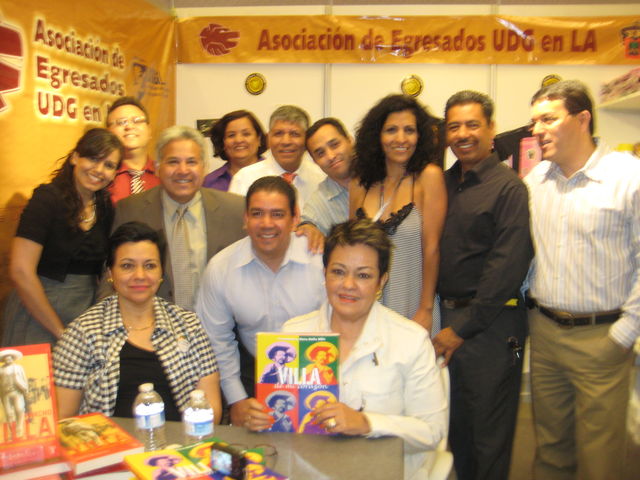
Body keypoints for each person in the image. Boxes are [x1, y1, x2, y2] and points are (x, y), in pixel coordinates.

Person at [244, 218, 447, 480]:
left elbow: (432, 431)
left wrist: (367, 423)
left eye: (363, 275)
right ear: (325, 273)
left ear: (381, 282)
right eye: (338, 271)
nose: (348, 285)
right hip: (308, 471)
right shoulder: (293, 335)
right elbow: (283, 429)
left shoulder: (411, 341)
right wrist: (262, 419)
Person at [525, 80, 639, 480]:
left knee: (600, 458)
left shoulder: (629, 177)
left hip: (601, 339)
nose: (536, 130)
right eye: (534, 121)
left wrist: (625, 333)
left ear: (582, 118)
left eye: (548, 119)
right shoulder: (536, 181)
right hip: (545, 334)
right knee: (550, 447)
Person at [433, 90, 533, 480]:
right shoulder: (442, 183)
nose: (463, 134)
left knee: (488, 438)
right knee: (456, 431)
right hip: (447, 320)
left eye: (472, 124)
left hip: (490, 328)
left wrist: (461, 329)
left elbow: (506, 268)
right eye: (454, 126)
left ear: (491, 128)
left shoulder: (508, 188)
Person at [54, 222, 222, 421]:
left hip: (181, 446)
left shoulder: (188, 325)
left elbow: (212, 409)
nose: (140, 276)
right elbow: (64, 418)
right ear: (110, 272)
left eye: (150, 266)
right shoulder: (82, 333)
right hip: (110, 448)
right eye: (127, 266)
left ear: (161, 273)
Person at [195, 176, 325, 427]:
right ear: (245, 219)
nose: (266, 224)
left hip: (318, 372)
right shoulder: (221, 268)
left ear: (295, 218)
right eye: (257, 214)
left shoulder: (320, 260)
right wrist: (237, 400)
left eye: (277, 214)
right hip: (252, 373)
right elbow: (216, 341)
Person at [3, 128, 123, 346]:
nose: (99, 170)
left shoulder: (105, 208)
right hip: (36, 314)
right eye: (93, 159)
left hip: (83, 318)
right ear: (75, 157)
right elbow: (21, 271)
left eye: (109, 165)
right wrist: (61, 332)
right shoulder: (47, 199)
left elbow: (104, 272)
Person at [110, 126, 245, 311]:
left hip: (218, 330)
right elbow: (112, 272)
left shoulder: (235, 210)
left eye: (191, 162)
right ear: (157, 167)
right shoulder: (130, 209)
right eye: (173, 162)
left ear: (204, 167)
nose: (183, 170)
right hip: (152, 329)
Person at [350, 94, 446, 333]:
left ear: (420, 136)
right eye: (391, 130)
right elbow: (353, 251)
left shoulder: (429, 178)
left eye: (409, 130)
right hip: (367, 310)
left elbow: (432, 249)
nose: (401, 139)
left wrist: (425, 310)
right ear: (377, 136)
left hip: (413, 305)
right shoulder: (359, 184)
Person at [229, 105, 326, 210]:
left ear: (306, 140)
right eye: (278, 134)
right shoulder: (244, 179)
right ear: (268, 138)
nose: (286, 141)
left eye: (294, 134)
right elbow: (233, 224)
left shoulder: (321, 179)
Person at [300, 117, 353, 236]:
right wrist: (306, 228)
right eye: (320, 153)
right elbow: (306, 224)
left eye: (335, 145)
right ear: (315, 161)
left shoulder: (383, 177)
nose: (330, 156)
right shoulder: (318, 204)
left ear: (350, 141)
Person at [106, 97, 160, 204]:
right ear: (108, 132)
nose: (130, 126)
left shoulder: (165, 174)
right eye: (121, 122)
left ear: (149, 131)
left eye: (137, 121)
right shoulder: (102, 176)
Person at [203, 110, 268, 191]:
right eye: (231, 135)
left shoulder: (276, 175)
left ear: (259, 139)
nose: (238, 140)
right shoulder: (209, 183)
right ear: (223, 142)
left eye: (246, 134)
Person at [0, 349, 28, 439]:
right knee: (8, 413)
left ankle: (19, 428)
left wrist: (25, 389)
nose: (8, 360)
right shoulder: (1, 369)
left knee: (19, 409)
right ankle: (11, 431)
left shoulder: (18, 368)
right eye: (6, 359)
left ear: (12, 359)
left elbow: (24, 378)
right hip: (5, 393)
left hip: (16, 391)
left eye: (9, 358)